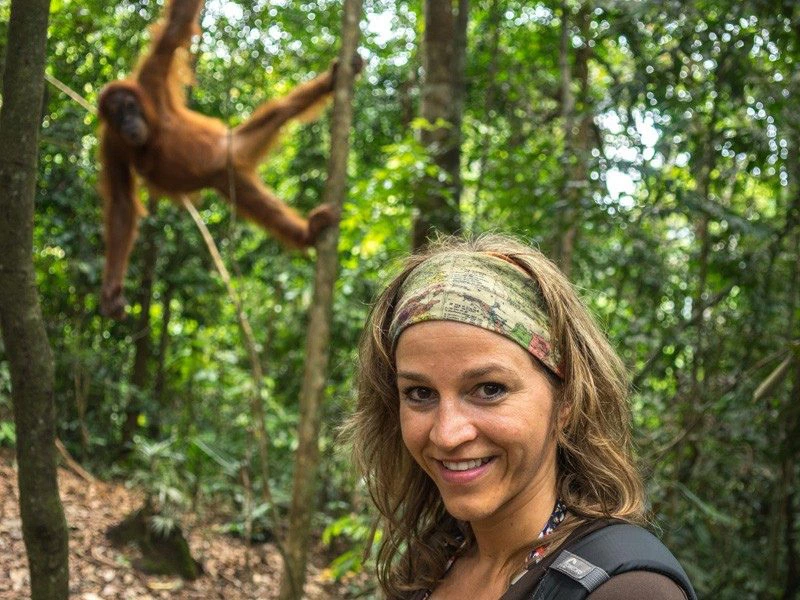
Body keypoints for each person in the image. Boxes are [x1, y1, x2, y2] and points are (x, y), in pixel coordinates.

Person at [346, 235, 696, 600]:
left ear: (566, 400)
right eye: (420, 393)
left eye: (489, 389)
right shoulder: (432, 565)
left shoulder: (627, 590)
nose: (447, 434)